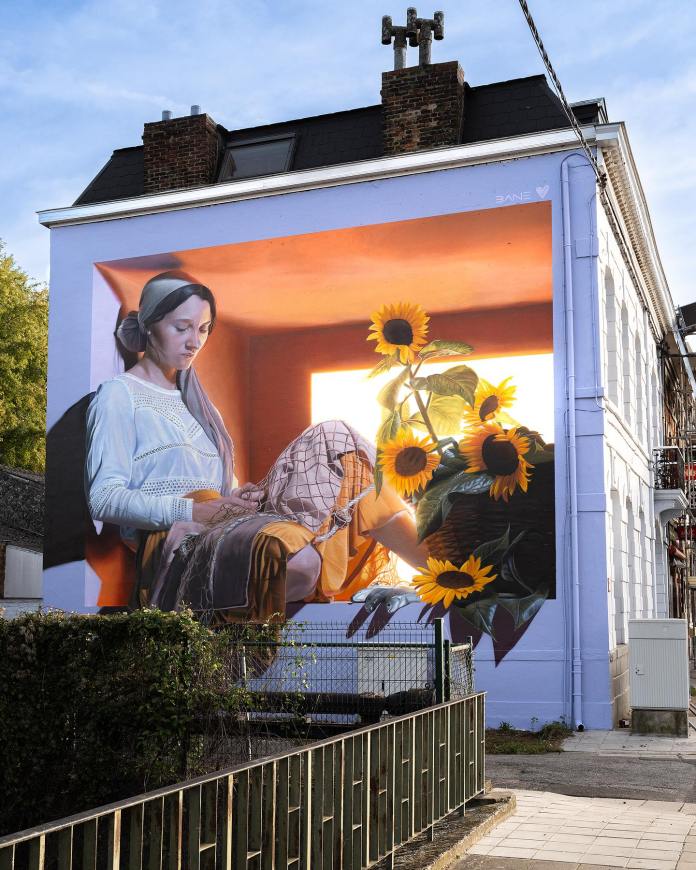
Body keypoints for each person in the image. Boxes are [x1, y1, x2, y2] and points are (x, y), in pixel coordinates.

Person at [85, 271, 427, 621]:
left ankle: (438, 577)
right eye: (182, 328)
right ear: (149, 324)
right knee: (299, 561)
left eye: (203, 330)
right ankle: (438, 574)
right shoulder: (119, 395)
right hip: (175, 538)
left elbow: (217, 494)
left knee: (339, 442)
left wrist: (238, 497)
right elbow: (104, 498)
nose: (194, 342)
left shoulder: (201, 407)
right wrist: (191, 512)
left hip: (224, 523)